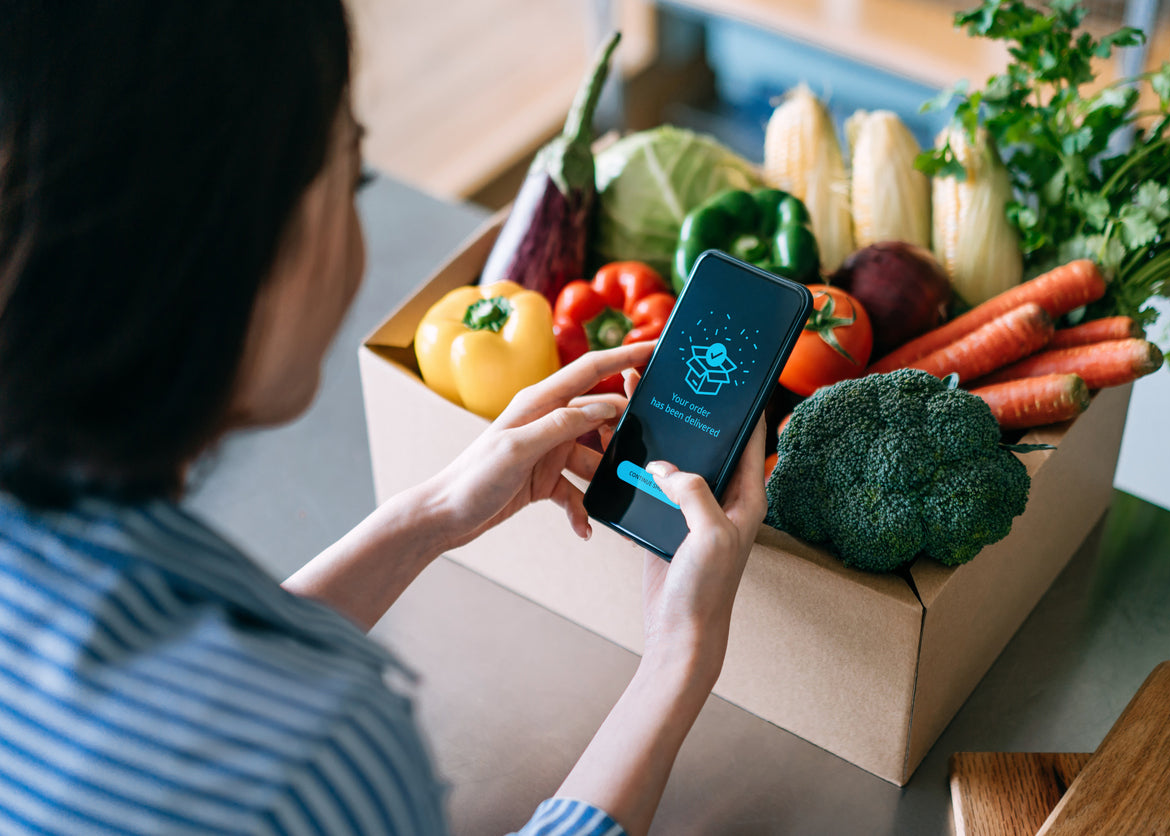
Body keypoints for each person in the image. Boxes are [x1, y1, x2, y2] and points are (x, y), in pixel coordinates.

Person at [0, 3, 767, 834]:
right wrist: (678, 657)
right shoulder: (315, 763)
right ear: (241, 246)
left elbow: (168, 692)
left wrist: (430, 514)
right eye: (353, 177)